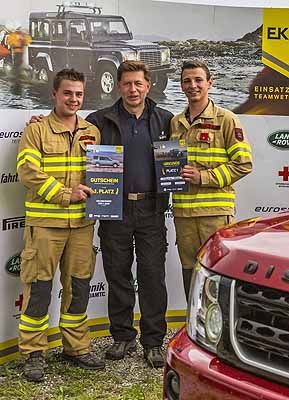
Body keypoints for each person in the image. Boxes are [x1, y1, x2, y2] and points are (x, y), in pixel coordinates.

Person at [17, 68, 103, 382]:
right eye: (67, 93)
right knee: (39, 290)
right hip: (46, 225)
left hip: (82, 225)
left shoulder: (92, 131)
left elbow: (103, 177)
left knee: (79, 289)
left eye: (79, 94)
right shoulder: (36, 130)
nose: (73, 99)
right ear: (54, 94)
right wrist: (66, 195)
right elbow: (28, 172)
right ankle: (33, 353)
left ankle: (76, 347)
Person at [86, 61, 173, 368]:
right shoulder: (99, 120)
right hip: (115, 210)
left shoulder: (166, 119)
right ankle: (123, 336)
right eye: (127, 84)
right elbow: (70, 131)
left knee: (152, 276)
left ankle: (153, 341)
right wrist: (38, 121)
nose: (133, 90)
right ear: (118, 86)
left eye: (138, 83)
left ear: (148, 85)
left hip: (151, 209)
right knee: (118, 274)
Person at [171, 60, 253, 299]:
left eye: (198, 80)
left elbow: (244, 164)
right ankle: (195, 328)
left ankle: (219, 331)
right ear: (181, 85)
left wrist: (203, 176)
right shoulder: (176, 123)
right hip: (184, 214)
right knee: (191, 272)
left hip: (214, 214)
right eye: (187, 81)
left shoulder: (226, 119)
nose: (192, 85)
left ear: (210, 83)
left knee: (217, 271)